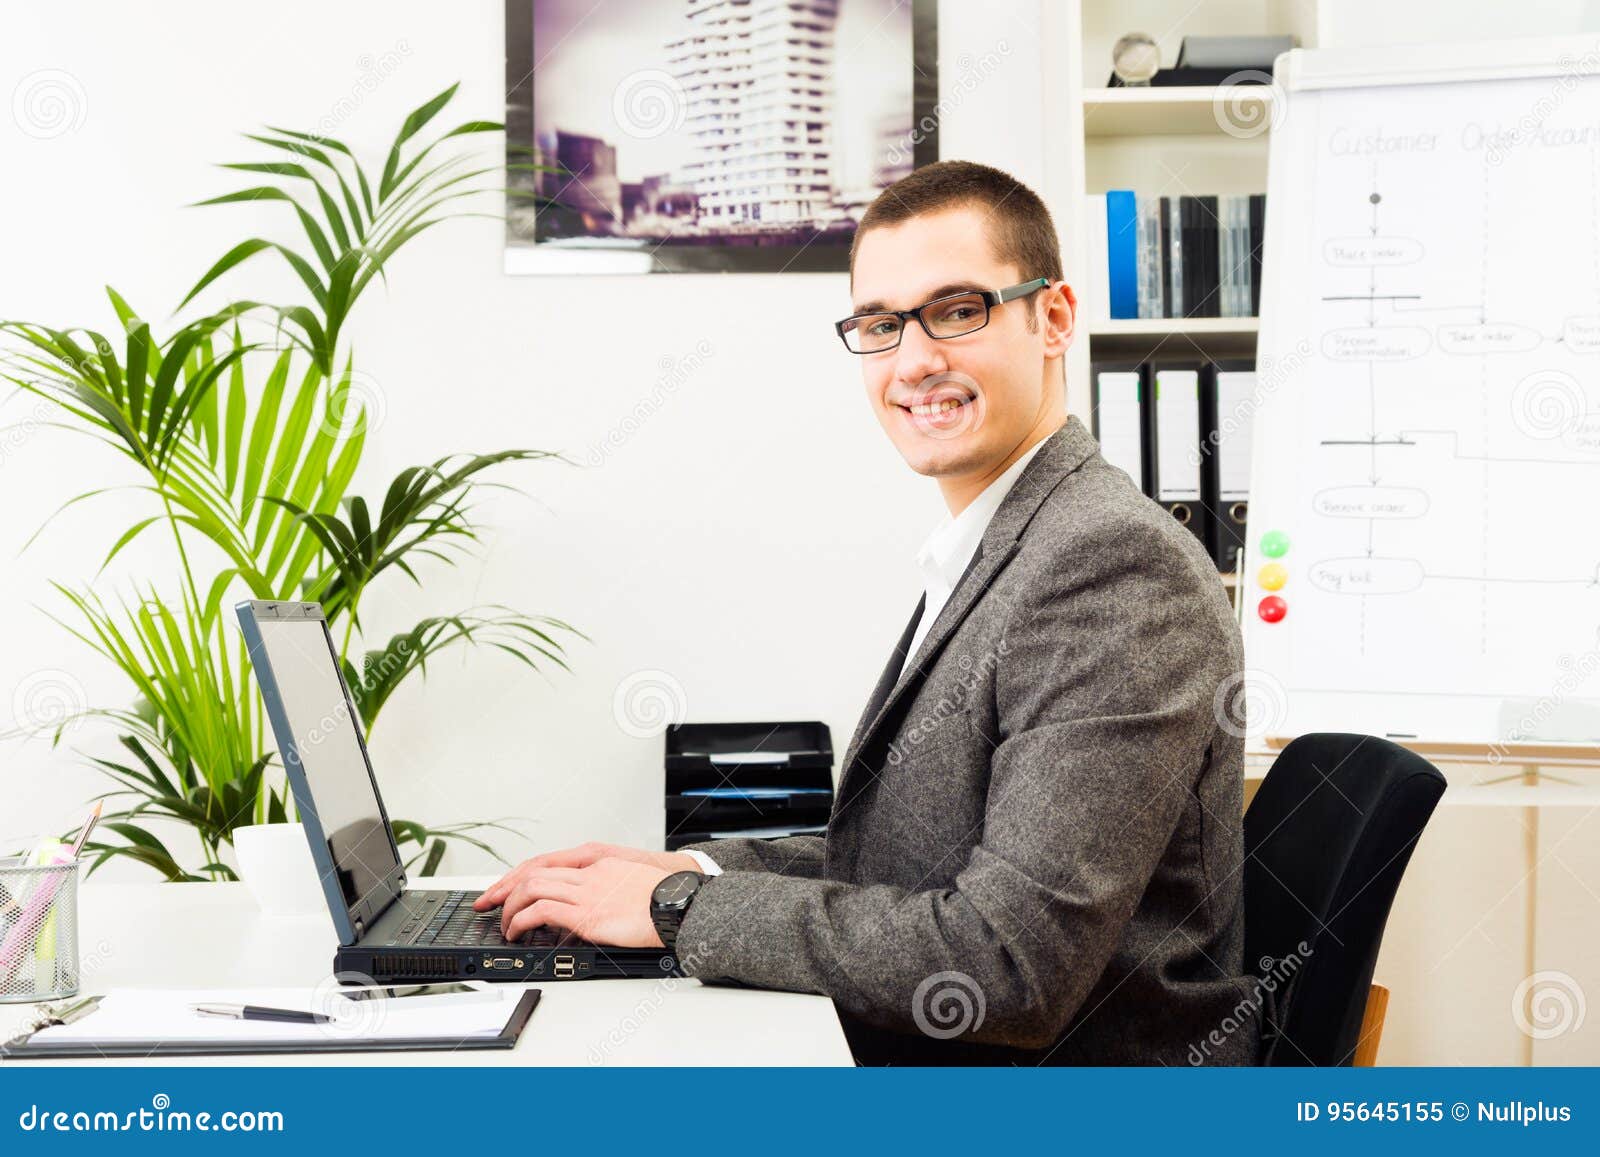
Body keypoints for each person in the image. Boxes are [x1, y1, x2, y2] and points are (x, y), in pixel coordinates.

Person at [474, 159, 1261, 1066]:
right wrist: (688, 871)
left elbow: (1007, 963)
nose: (915, 359)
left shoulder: (1108, 568)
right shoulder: (1006, 543)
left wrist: (675, 912)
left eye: (959, 310)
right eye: (882, 325)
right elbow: (906, 869)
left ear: (1052, 317)